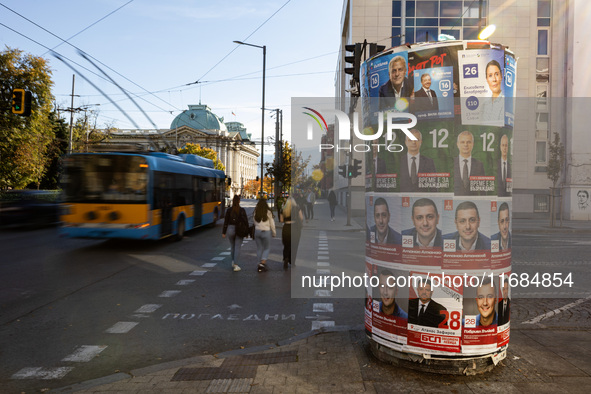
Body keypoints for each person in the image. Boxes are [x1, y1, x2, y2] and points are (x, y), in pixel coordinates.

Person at [222, 195, 249, 272]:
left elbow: (226, 221)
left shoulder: (229, 210)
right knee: (237, 247)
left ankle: (233, 262)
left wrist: (224, 232)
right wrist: (247, 232)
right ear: (239, 201)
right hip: (239, 229)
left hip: (230, 229)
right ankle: (236, 265)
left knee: (232, 246)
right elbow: (245, 222)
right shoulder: (242, 210)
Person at [454, 131, 485, 196]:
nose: (465, 145)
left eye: (468, 142)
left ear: (473, 144)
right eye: (462, 142)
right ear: (457, 144)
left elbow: (482, 190)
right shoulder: (452, 163)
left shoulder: (479, 165)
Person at [253, 198, 276, 272]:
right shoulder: (268, 212)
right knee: (266, 248)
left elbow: (254, 221)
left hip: (257, 231)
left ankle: (259, 263)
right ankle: (263, 263)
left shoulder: (256, 211)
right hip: (266, 231)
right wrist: (274, 232)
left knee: (259, 248)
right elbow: (272, 223)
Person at [280, 196, 304, 269]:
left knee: (286, 245)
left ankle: (286, 258)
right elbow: (301, 218)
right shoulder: (297, 208)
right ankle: (292, 262)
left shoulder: (283, 209)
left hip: (286, 227)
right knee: (294, 246)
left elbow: (281, 220)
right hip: (295, 228)